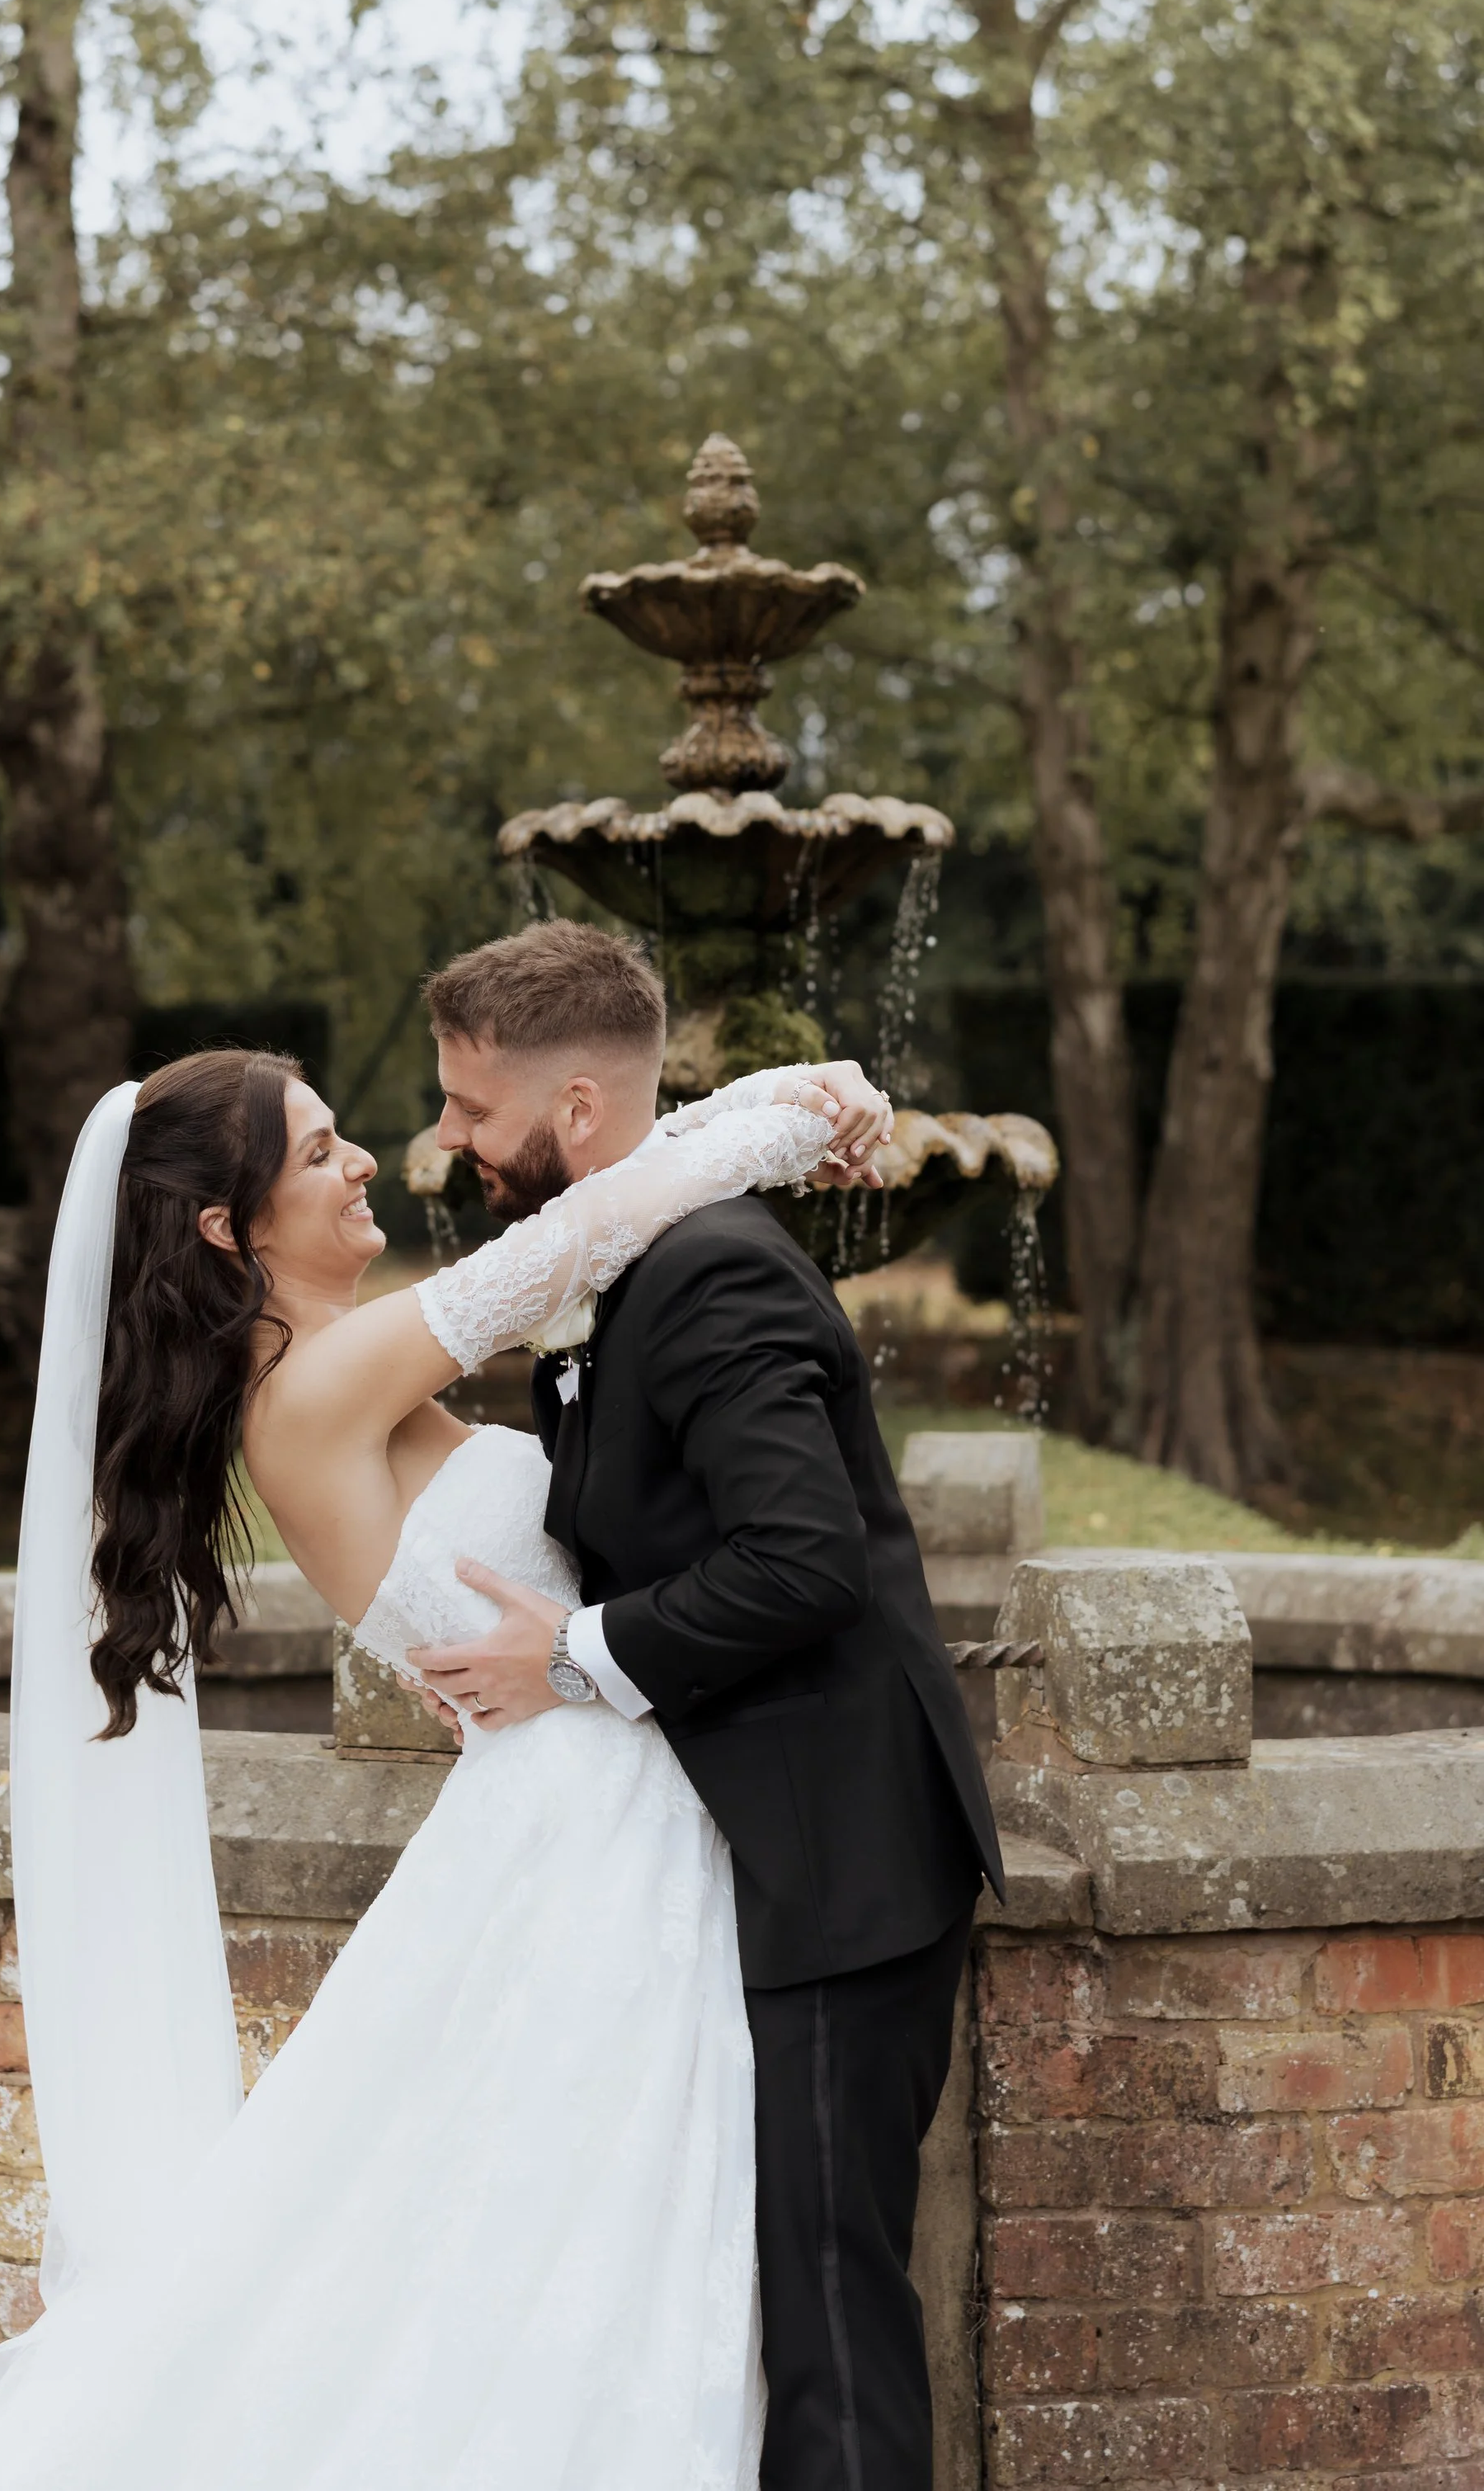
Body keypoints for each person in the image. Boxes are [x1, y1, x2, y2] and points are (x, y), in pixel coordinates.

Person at [0, 979, 893, 2491]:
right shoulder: (307, 1392)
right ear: (227, 1232)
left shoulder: (330, 1367)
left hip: (594, 1792)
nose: (367, 1157)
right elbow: (572, 1238)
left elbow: (605, 1199)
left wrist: (781, 1100)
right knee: (590, 2222)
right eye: (317, 1153)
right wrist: (789, 1106)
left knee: (563, 2226)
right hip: (589, 1824)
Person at [411, 922, 1004, 2491]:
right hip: (748, 1853)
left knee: (827, 2318)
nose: (451, 1141)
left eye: (475, 1109)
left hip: (841, 1867)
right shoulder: (620, 1261)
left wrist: (575, 1656)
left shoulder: (712, 1273)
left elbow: (805, 1561)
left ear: (583, 1113)